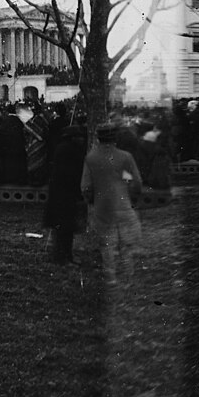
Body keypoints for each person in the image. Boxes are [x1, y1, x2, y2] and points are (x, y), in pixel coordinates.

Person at [83, 121, 145, 283]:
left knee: (107, 242)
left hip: (102, 205)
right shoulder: (125, 157)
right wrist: (132, 196)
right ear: (115, 137)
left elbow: (86, 187)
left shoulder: (91, 158)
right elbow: (136, 182)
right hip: (123, 203)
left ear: (98, 137)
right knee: (127, 241)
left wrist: (92, 200)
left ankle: (110, 276)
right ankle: (128, 273)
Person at [43, 125, 88, 264]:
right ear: (73, 138)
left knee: (62, 228)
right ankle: (63, 257)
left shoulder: (63, 148)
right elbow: (70, 174)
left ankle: (62, 256)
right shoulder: (70, 151)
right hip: (65, 194)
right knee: (65, 228)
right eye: (79, 137)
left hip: (60, 193)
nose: (82, 139)